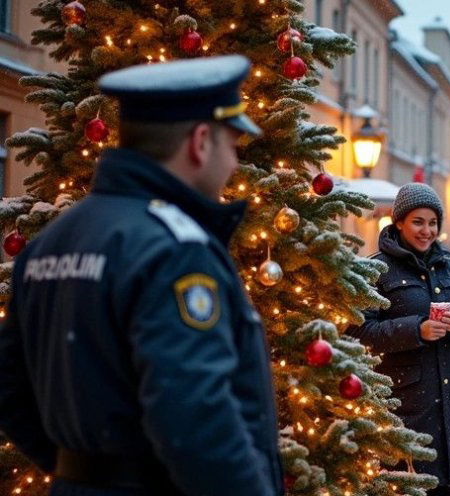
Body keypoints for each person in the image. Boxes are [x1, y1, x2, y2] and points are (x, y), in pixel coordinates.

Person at [0, 56, 283, 495]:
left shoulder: (54, 238)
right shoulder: (174, 249)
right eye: (233, 144)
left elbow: (11, 392)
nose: (233, 163)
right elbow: (196, 418)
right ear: (201, 141)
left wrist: (87, 473)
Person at [352, 183, 450, 496]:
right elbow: (359, 333)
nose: (427, 231)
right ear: (399, 223)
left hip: (449, 402)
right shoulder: (376, 269)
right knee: (405, 484)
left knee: (445, 487)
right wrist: (415, 329)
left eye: (433, 223)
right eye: (418, 222)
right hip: (403, 405)